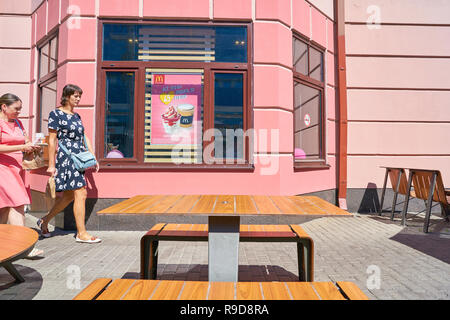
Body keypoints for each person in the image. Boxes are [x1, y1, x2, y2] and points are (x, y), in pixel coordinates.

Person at [37, 84, 101, 243]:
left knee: (68, 196)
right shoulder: (56, 114)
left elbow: (84, 136)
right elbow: (52, 140)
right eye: (75, 96)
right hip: (67, 157)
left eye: (80, 96)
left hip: (79, 157)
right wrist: (51, 165)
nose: (78, 99)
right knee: (81, 192)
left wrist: (93, 156)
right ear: (66, 96)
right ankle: (81, 233)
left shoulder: (76, 116)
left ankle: (44, 221)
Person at [0, 93, 44, 257]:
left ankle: (5, 244)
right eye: (16, 109)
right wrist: (20, 147)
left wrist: (33, 146)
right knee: (18, 203)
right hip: (3, 168)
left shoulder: (18, 122)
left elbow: (25, 141)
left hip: (17, 168)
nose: (19, 112)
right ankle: (25, 247)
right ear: (4, 107)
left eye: (21, 109)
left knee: (4, 208)